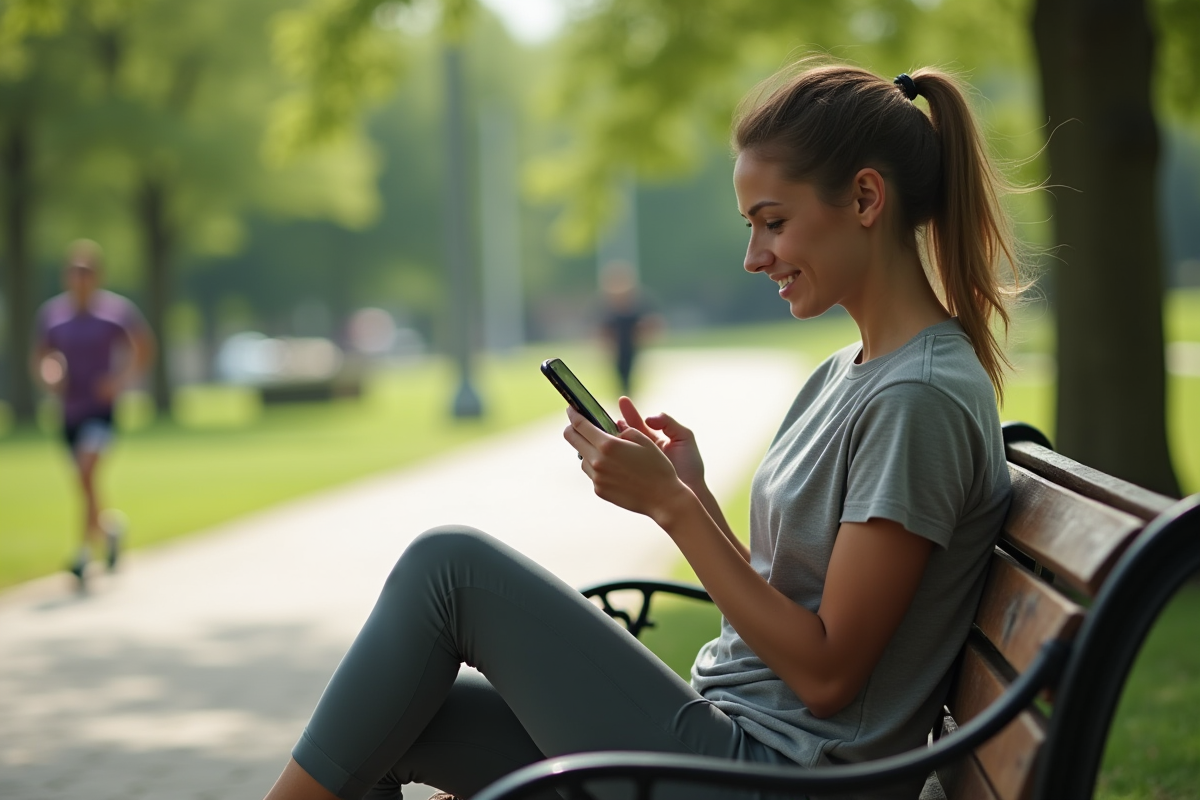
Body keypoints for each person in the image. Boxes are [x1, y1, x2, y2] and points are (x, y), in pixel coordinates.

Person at [264, 62, 1022, 800]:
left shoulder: (918, 397)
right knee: (396, 721)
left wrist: (673, 508)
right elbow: (789, 607)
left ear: (864, 198)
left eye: (774, 223)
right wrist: (693, 493)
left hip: (773, 773)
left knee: (450, 570)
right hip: (728, 744)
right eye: (752, 227)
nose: (755, 257)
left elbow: (828, 677)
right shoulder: (850, 373)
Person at [32, 239, 156, 587]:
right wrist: (50, 376)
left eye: (86, 271)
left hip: (101, 410)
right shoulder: (52, 315)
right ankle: (111, 530)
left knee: (87, 473)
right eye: (74, 271)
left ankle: (83, 554)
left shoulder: (116, 312)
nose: (80, 278)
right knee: (85, 483)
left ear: (98, 275)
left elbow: (142, 347)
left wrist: (120, 381)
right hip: (68, 411)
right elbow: (42, 356)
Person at [598, 259, 660, 396]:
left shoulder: (636, 304)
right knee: (619, 374)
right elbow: (603, 328)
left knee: (629, 373)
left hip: (631, 346)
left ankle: (627, 395)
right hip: (616, 347)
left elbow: (649, 323)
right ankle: (623, 394)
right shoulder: (608, 306)